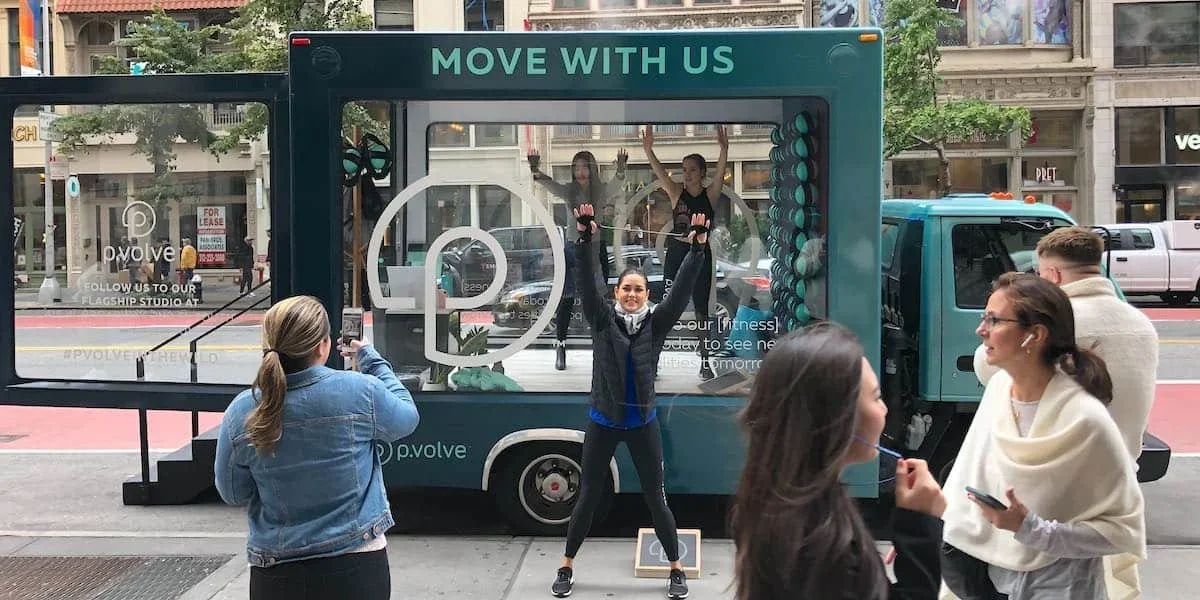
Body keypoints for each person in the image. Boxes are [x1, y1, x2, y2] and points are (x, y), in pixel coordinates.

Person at [970, 226, 1158, 598]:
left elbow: (988, 368)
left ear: (1053, 275)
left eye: (994, 321)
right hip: (1114, 489)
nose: (985, 330)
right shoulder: (1141, 324)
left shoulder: (1057, 330)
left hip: (1052, 505)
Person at [214, 295, 420, 600]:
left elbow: (233, 492)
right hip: (356, 567)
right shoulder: (360, 391)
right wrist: (370, 359)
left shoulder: (243, 410)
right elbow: (407, 418)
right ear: (322, 346)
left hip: (277, 572)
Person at [551, 203, 709, 600]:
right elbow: (588, 283)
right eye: (626, 289)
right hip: (603, 422)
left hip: (642, 425)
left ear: (647, 294)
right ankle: (566, 566)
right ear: (617, 293)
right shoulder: (602, 320)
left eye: (639, 289)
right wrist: (585, 240)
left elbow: (682, 292)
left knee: (656, 498)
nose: (632, 294)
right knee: (587, 497)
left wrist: (697, 250)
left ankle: (676, 570)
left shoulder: (657, 324)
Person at [730, 321, 947, 599]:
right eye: (876, 397)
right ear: (838, 420)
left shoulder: (777, 502)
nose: (884, 409)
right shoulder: (820, 543)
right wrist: (921, 524)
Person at [642, 124, 728, 380]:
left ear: (702, 173)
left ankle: (705, 361)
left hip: (701, 256)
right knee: (666, 308)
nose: (687, 174)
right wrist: (648, 150)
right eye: (684, 169)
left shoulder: (710, 195)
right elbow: (659, 172)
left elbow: (721, 170)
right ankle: (653, 360)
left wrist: (723, 149)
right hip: (676, 257)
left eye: (692, 170)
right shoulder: (675, 193)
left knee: (702, 310)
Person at [530, 148, 628, 371]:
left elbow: (616, 184)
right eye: (577, 167)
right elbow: (549, 184)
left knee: (599, 299)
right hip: (573, 249)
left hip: (595, 248)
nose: (581, 172)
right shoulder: (570, 191)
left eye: (585, 167)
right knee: (567, 297)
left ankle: (602, 347)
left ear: (592, 169)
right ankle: (561, 345)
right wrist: (535, 169)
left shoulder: (600, 191)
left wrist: (621, 168)